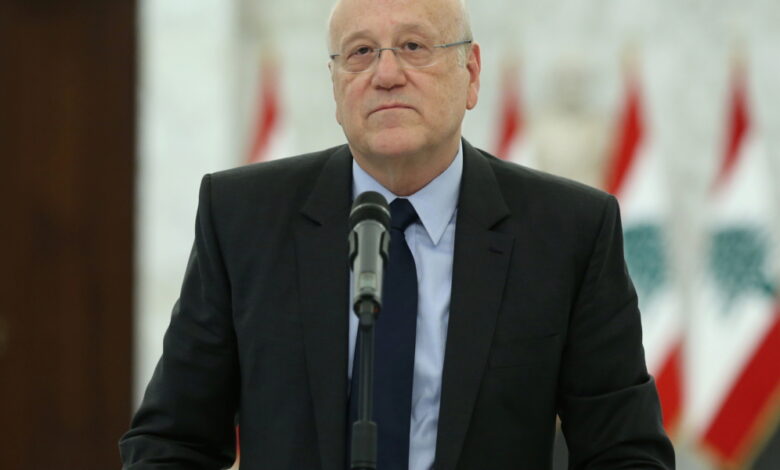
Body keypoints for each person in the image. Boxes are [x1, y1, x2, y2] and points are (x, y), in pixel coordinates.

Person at [120, 0, 675, 468]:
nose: (385, 74)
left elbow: (625, 453)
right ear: (335, 85)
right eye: (361, 52)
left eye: (413, 46)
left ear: (471, 73)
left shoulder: (568, 231)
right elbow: (172, 443)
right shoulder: (243, 218)